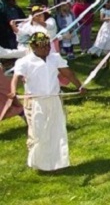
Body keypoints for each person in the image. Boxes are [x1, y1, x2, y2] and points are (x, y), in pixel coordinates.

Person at [8, 32, 86, 171]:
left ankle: (58, 162)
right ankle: (38, 163)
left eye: (47, 46)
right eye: (42, 47)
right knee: (38, 132)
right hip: (35, 101)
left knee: (56, 129)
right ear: (33, 47)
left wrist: (79, 86)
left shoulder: (55, 58)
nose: (46, 49)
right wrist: (13, 91)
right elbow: (16, 77)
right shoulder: (24, 61)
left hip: (54, 99)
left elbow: (67, 73)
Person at [88, 0, 110, 68]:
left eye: (109, 2)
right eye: (106, 2)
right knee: (102, 41)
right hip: (106, 28)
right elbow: (101, 19)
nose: (107, 4)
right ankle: (97, 54)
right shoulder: (103, 10)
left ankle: (106, 61)